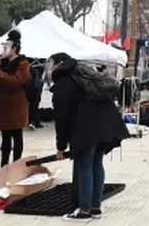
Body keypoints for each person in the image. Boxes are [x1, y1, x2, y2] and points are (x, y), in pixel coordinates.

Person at [49, 53, 130, 221]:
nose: (50, 67)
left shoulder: (63, 84)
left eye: (52, 63)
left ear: (58, 64)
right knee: (96, 164)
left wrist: (61, 146)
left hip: (85, 127)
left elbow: (61, 117)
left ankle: (84, 210)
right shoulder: (84, 75)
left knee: (84, 165)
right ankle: (95, 208)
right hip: (106, 125)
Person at [0, 30, 32, 167]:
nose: (4, 50)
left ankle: (16, 165)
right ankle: (4, 165)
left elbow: (16, 82)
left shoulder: (23, 63)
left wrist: (0, 73)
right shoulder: (3, 63)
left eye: (6, 47)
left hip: (16, 104)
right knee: (5, 138)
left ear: (14, 48)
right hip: (3, 104)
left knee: (17, 135)